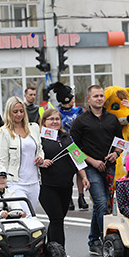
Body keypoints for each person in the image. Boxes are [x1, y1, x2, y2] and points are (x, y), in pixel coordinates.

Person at [70, 85, 123, 254]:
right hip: (90, 168)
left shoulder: (112, 119)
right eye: (95, 96)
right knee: (101, 203)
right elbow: (73, 149)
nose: (99, 98)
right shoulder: (80, 121)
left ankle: (93, 241)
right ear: (89, 99)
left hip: (109, 167)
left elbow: (121, 142)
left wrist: (116, 154)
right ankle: (107, 241)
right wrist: (91, 161)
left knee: (102, 205)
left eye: (101, 96)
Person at [39, 105, 90, 248]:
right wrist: (41, 162)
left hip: (66, 185)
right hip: (47, 185)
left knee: (59, 219)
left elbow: (78, 159)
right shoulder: (39, 139)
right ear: (44, 122)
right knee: (55, 218)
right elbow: (32, 158)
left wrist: (84, 177)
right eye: (51, 119)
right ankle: (57, 252)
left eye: (57, 119)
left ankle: (54, 251)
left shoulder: (66, 137)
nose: (55, 121)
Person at [0, 96, 44, 212]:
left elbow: (40, 149)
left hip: (34, 181)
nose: (19, 114)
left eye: (21, 111)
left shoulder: (34, 128)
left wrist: (41, 158)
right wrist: (4, 181)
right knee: (25, 215)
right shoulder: (5, 131)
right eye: (15, 112)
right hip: (16, 182)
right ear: (9, 113)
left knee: (31, 215)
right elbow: (3, 159)